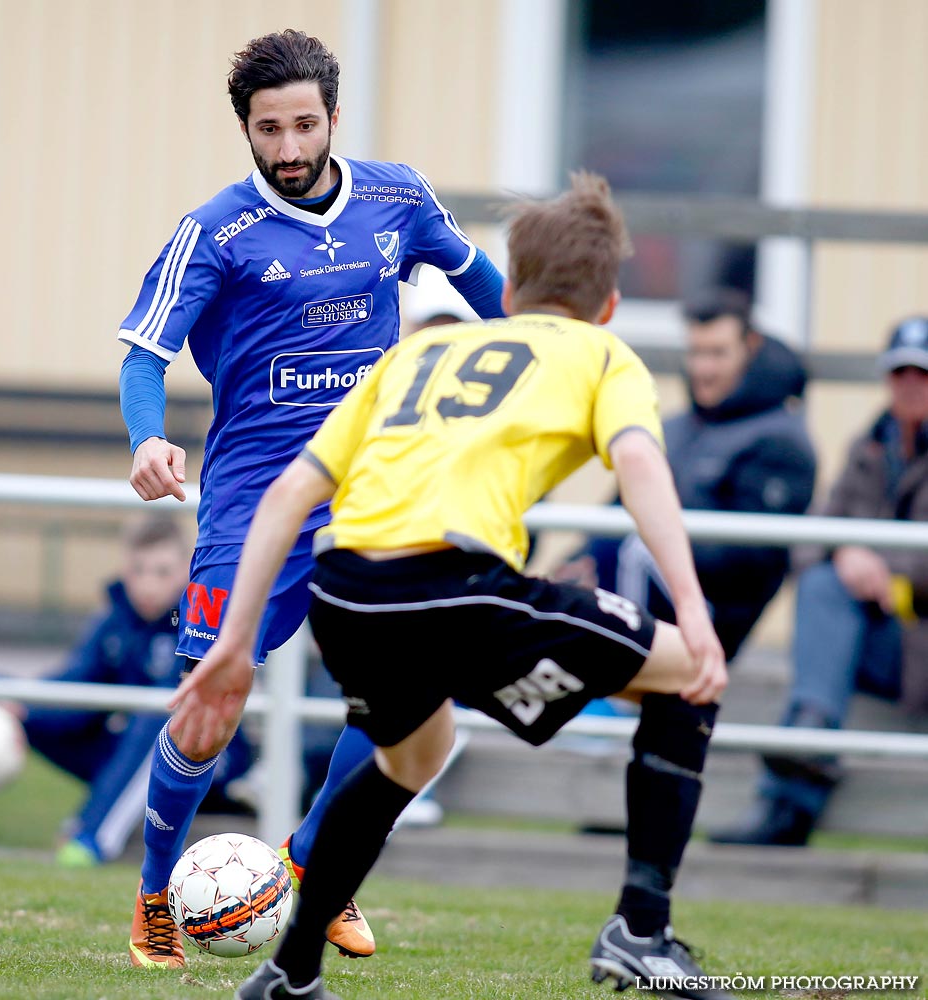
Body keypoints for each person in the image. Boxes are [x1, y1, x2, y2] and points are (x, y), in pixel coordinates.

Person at [172, 172, 735, 1000]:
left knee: (415, 754)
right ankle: (640, 933)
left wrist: (231, 645)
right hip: (453, 586)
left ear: (506, 291)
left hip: (347, 594)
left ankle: (288, 975)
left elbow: (292, 491)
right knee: (686, 670)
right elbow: (642, 464)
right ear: (608, 304)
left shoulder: (419, 350)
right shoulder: (601, 353)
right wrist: (692, 608)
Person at [117, 28, 504, 968]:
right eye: (267, 131)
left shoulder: (395, 195)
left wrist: (542, 340)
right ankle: (154, 897)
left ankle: (319, 871)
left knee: (411, 699)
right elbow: (143, 353)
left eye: (303, 126)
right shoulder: (216, 231)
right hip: (255, 495)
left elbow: (478, 281)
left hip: (375, 486)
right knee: (213, 697)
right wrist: (147, 439)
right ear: (244, 132)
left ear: (334, 117)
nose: (288, 150)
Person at [0, 513, 247, 865]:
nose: (147, 584)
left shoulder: (195, 620)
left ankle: (91, 838)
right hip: (124, 754)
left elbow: (178, 707)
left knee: (157, 715)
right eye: (137, 570)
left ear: (185, 570)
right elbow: (76, 687)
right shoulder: (116, 620)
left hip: (204, 759)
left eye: (161, 571)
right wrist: (22, 705)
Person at [712, 316, 928, 847]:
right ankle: (807, 736)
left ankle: (787, 799)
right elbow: (810, 539)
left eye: (920, 374)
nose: (909, 384)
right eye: (900, 372)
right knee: (824, 588)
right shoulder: (871, 445)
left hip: (916, 640)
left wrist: (880, 569)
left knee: (827, 602)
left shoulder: (877, 446)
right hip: (878, 635)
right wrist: (846, 553)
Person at [557, 287, 817, 662]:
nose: (703, 369)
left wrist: (658, 533)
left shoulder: (780, 440)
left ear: (751, 346)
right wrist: (576, 562)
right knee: (562, 580)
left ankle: (620, 679)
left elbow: (748, 559)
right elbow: (617, 507)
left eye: (717, 353)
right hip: (647, 590)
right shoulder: (676, 427)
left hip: (709, 616)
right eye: (696, 352)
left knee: (626, 548)